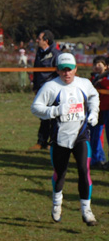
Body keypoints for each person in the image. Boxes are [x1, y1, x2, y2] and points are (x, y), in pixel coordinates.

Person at [31, 53, 100, 226]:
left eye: (70, 70)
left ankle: (86, 210)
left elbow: (94, 97)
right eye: (62, 70)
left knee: (84, 171)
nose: (66, 74)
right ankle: (57, 204)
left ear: (76, 69)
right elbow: (35, 108)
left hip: (81, 136)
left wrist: (93, 113)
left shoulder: (84, 83)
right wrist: (54, 111)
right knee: (60, 173)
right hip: (59, 138)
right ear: (57, 70)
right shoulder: (50, 87)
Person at [30, 30, 60, 150]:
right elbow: (36, 72)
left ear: (46, 41)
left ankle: (52, 142)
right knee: (43, 117)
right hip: (41, 90)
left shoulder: (56, 54)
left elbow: (59, 73)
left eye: (39, 38)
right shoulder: (39, 53)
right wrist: (35, 87)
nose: (37, 41)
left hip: (52, 91)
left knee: (53, 117)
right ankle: (41, 142)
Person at [89, 55, 109, 168]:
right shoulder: (94, 78)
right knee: (95, 135)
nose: (96, 66)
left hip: (105, 109)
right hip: (97, 109)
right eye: (95, 64)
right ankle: (96, 159)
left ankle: (99, 158)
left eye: (99, 64)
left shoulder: (104, 79)